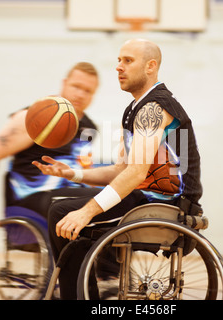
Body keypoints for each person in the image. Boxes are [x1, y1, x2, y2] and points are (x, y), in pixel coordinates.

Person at [33, 39, 203, 299]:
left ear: (151, 66)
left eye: (128, 60)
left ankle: (78, 295)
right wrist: (72, 173)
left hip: (167, 205)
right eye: (118, 60)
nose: (118, 67)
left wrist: (86, 212)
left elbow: (134, 175)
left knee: (64, 213)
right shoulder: (137, 108)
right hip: (147, 198)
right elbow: (122, 169)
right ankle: (83, 292)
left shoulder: (153, 108)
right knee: (60, 205)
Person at [0, 62, 101, 238]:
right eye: (76, 86)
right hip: (32, 199)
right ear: (64, 84)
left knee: (110, 200)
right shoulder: (36, 117)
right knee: (91, 201)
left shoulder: (88, 128)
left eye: (88, 91)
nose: (80, 94)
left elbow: (86, 172)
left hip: (68, 199)